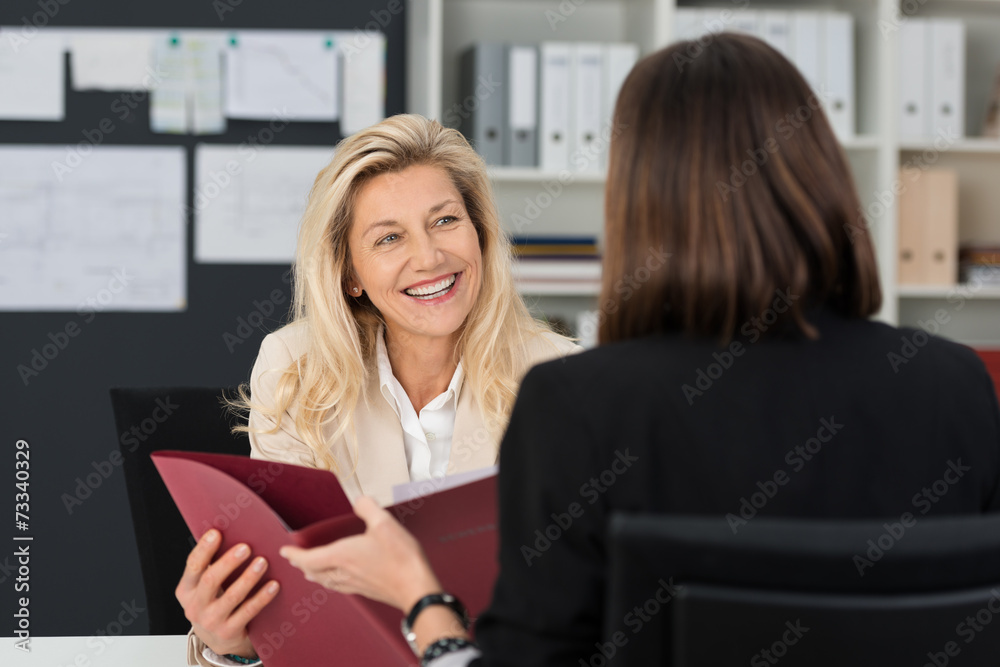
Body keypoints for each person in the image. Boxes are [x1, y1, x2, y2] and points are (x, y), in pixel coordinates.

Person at [279, 33, 1000, 667]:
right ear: (826, 179)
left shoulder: (578, 406)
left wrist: (422, 599)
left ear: (638, 200)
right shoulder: (955, 386)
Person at [176, 114, 580, 667]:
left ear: (480, 234)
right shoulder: (296, 369)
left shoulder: (564, 383)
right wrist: (233, 642)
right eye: (389, 237)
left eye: (445, 221)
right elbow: (288, 604)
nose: (430, 257)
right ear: (351, 275)